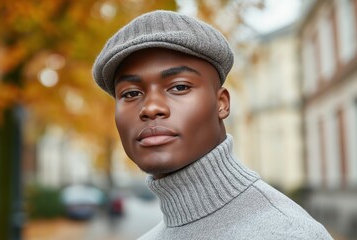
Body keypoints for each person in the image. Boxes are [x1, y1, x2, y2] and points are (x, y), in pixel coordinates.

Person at [92, 10, 332, 240]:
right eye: (131, 93)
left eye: (179, 87)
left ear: (222, 104)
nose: (151, 107)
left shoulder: (287, 233)